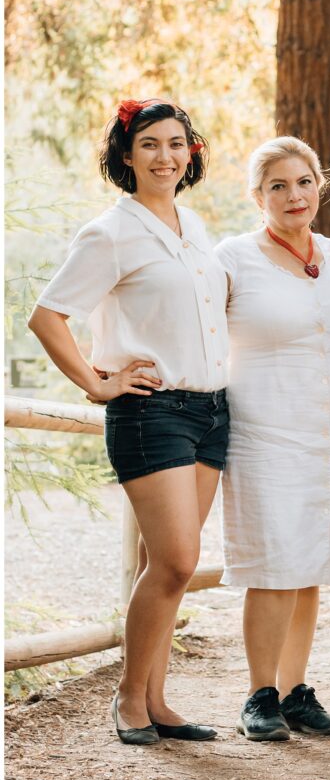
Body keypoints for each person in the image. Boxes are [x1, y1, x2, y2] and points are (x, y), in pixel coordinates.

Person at [28, 99, 230, 746]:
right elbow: (48, 314)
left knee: (164, 567)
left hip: (210, 410)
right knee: (175, 560)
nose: (165, 156)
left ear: (190, 153)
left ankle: (158, 700)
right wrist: (96, 381)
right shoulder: (109, 233)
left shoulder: (193, 226)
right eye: (149, 144)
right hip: (151, 411)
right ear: (124, 155)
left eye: (177, 144)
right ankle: (127, 698)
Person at [214, 135, 330, 742]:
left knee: (308, 566)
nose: (293, 195)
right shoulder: (232, 257)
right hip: (263, 430)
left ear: (318, 187)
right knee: (273, 566)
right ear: (257, 197)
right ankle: (259, 694)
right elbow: (193, 326)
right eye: (278, 186)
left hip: (327, 433)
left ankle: (297, 690)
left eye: (303, 182)